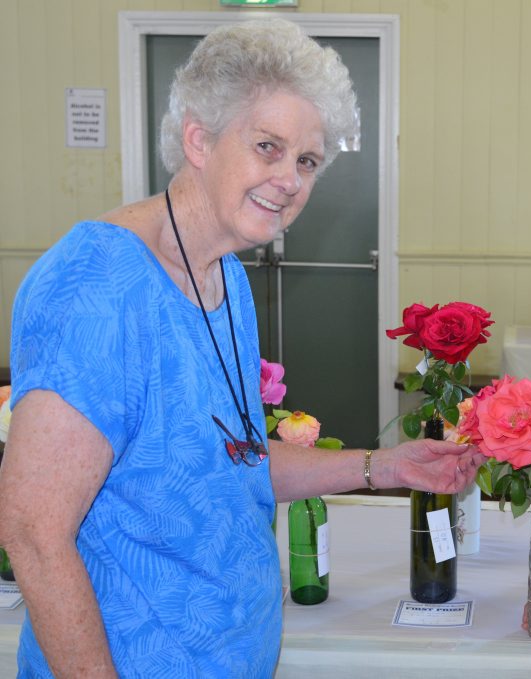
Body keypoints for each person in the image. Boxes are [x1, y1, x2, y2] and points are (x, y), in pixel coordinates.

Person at [0, 19, 483, 678]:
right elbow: (32, 529)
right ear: (198, 138)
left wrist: (388, 466)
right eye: (267, 146)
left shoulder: (222, 272)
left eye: (307, 160)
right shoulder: (99, 285)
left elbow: (235, 460)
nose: (290, 180)